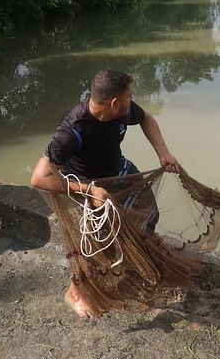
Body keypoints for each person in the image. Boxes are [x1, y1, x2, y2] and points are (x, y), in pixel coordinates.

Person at [30, 70, 181, 316]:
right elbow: (39, 178)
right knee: (98, 241)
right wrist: (89, 190)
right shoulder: (71, 132)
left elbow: (147, 119)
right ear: (114, 102)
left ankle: (136, 251)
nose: (132, 100)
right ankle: (75, 291)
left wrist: (163, 153)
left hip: (117, 170)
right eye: (129, 96)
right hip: (85, 181)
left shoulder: (123, 110)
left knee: (148, 213)